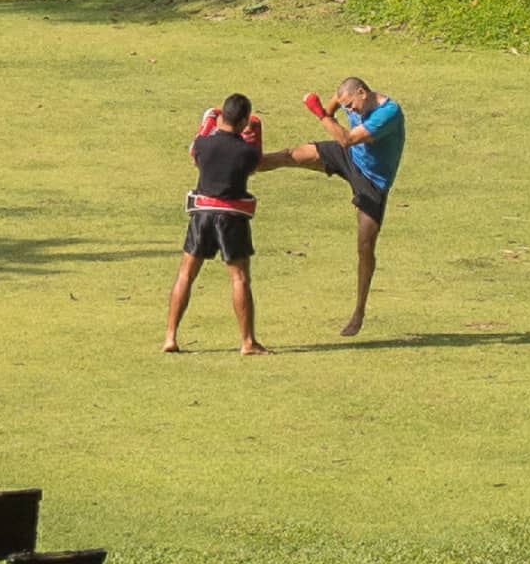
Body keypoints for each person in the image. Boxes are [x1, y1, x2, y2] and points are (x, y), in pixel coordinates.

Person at [257, 77, 405, 337]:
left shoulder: (388, 114)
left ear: (363, 93)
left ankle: (359, 311)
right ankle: (245, 165)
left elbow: (347, 139)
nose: (350, 111)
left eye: (352, 106)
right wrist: (330, 111)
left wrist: (320, 115)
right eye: (346, 107)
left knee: (365, 246)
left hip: (372, 180)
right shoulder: (348, 97)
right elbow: (338, 103)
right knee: (292, 155)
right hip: (347, 156)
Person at [163, 93, 269, 356]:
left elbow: (194, 154)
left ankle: (170, 337)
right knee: (240, 278)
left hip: (202, 215)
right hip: (232, 218)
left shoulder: (202, 144)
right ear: (244, 120)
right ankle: (247, 341)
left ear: (222, 116)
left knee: (186, 275)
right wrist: (255, 136)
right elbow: (256, 163)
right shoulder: (245, 152)